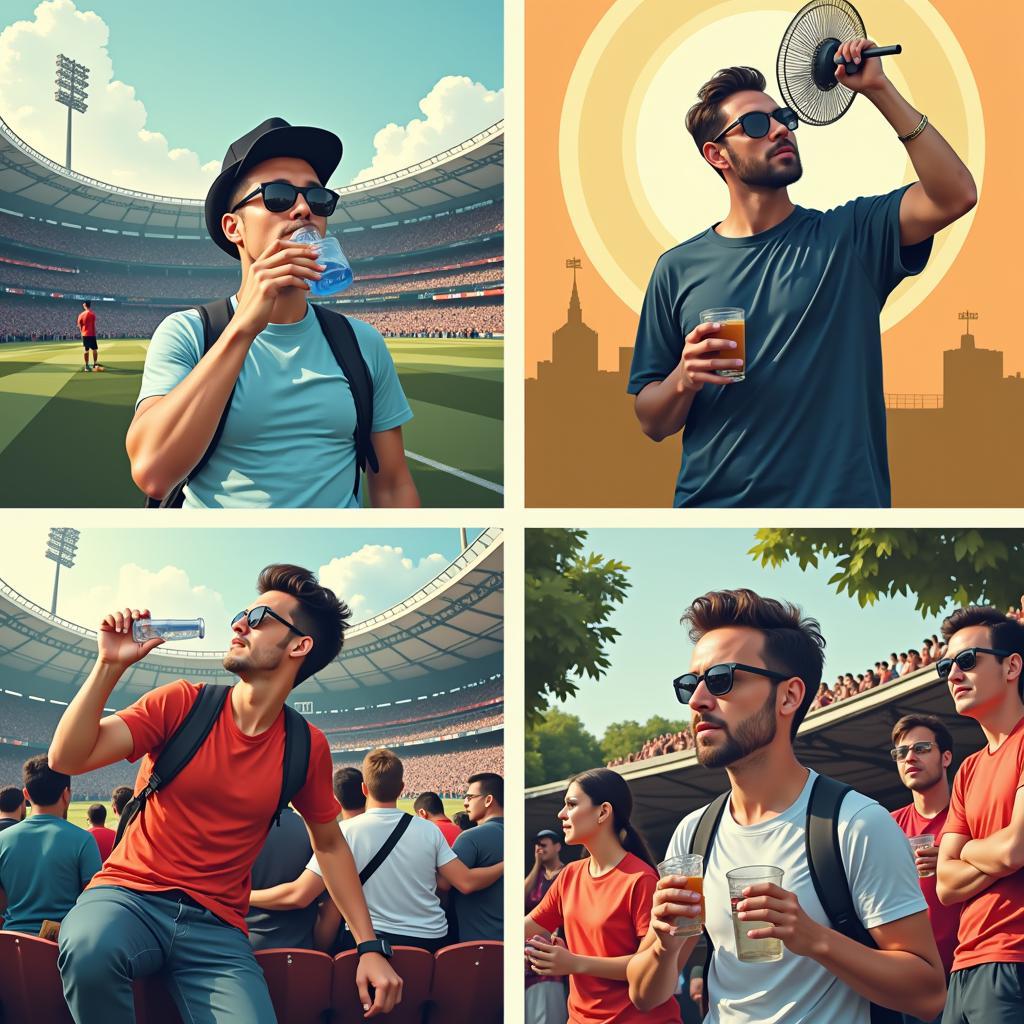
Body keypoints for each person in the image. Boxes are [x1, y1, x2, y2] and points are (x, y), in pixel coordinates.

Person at [48, 564, 401, 1024]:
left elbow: (330, 845)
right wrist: (109, 665)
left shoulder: (306, 745)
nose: (238, 624)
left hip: (218, 928)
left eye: (258, 619)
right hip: (128, 896)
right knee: (90, 950)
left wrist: (369, 946)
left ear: (299, 645)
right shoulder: (181, 702)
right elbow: (66, 759)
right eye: (241, 614)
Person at [628, 61, 976, 508]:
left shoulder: (850, 238)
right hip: (710, 503)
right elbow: (651, 422)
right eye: (756, 124)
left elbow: (956, 194)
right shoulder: (676, 269)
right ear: (717, 155)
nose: (779, 130)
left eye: (784, 119)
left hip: (838, 503)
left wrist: (879, 88)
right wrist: (683, 378)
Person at [627, 589, 945, 1022]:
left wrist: (814, 938)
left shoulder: (856, 824)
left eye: (721, 679)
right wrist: (664, 942)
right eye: (690, 684)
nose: (698, 700)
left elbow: (928, 993)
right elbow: (646, 994)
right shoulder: (693, 833)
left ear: (789, 696)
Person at [126, 117, 419, 509]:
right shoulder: (188, 333)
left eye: (317, 199)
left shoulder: (362, 343)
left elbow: (393, 485)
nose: (302, 209)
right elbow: (153, 474)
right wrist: (244, 326)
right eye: (278, 196)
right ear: (233, 228)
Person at [249, 748, 503, 954]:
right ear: (402, 788)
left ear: (364, 789)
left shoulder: (344, 832)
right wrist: (506, 864)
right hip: (429, 941)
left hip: (370, 943)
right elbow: (466, 882)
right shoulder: (429, 830)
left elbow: (299, 895)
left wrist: (245, 895)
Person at [526, 768, 681, 1024]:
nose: (561, 814)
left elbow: (648, 966)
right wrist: (533, 952)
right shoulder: (569, 876)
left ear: (603, 812)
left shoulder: (640, 880)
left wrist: (573, 963)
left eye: (571, 804)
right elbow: (523, 929)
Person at [934, 606, 1024, 1023]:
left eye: (967, 661)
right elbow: (945, 885)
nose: (953, 674)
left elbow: (1014, 849)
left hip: (1015, 958)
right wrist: (996, 849)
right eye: (945, 665)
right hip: (964, 964)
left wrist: (966, 850)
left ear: (1012, 666)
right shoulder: (968, 769)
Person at [889, 714, 962, 1024]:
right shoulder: (886, 825)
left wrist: (952, 861)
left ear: (946, 757)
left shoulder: (968, 814)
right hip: (912, 982)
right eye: (901, 752)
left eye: (921, 748)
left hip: (968, 970)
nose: (910, 758)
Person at [0, 756, 101, 935]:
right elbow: (93, 903)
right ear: (66, 794)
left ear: (26, 795)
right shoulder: (83, 840)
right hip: (64, 947)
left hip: (12, 944)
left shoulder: (2, 839)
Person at [449, 772, 504, 941]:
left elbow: (447, 884)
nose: (465, 803)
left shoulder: (470, 837)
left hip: (477, 945)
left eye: (470, 797)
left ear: (488, 800)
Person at [525, 828, 569, 1024]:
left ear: (558, 846)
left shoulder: (568, 873)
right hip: (528, 952)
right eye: (537, 845)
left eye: (544, 845)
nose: (539, 849)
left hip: (555, 948)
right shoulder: (537, 875)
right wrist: (536, 865)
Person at [77, 301, 102, 371]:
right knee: (94, 349)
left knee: (86, 350)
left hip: (85, 334)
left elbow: (79, 325)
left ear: (85, 305)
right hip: (92, 334)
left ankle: (87, 366)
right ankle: (95, 364)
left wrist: (82, 331)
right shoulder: (93, 314)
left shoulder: (81, 315)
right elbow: (93, 323)